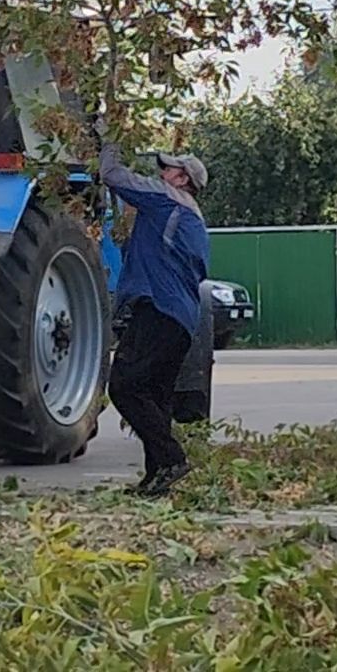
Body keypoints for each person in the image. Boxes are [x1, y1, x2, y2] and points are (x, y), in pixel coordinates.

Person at [98, 135, 210, 496]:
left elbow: (112, 174)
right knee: (155, 397)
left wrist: (109, 133)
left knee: (124, 387)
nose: (162, 172)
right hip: (180, 318)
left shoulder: (167, 200)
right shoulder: (190, 218)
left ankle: (172, 458)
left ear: (182, 180)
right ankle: (156, 477)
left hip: (158, 309)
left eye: (169, 169)